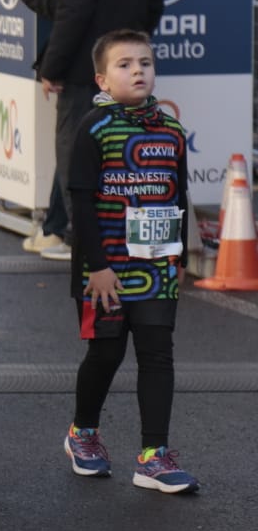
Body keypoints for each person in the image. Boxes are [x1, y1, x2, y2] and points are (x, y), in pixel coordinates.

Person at [62, 29, 197, 494]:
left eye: (145, 62)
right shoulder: (93, 128)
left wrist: (179, 252)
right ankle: (83, 433)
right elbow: (79, 202)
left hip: (158, 268)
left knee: (158, 353)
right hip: (106, 270)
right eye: (125, 64)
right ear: (102, 79)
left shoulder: (173, 130)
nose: (138, 70)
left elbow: (179, 194)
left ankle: (153, 456)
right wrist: (96, 265)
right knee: (106, 353)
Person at [12, 0, 163, 263]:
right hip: (126, 70)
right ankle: (55, 231)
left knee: (77, 153)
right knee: (112, 155)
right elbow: (154, 5)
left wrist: (53, 67)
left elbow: (73, 12)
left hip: (86, 71)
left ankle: (86, 246)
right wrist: (132, 59)